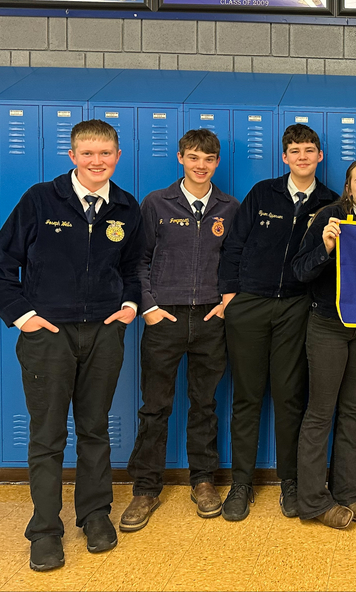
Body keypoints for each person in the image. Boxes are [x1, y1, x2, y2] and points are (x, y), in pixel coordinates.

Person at [0, 120, 145, 572]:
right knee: (48, 434)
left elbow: (134, 267)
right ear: (72, 156)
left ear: (117, 156)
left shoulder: (126, 207)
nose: (97, 161)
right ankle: (44, 530)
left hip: (103, 333)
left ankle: (94, 514)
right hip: (48, 336)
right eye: (87, 153)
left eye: (105, 153)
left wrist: (130, 305)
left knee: (95, 429)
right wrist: (24, 317)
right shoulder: (40, 199)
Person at [119, 130, 239, 531]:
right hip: (164, 318)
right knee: (155, 406)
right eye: (193, 157)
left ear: (217, 162)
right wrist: (149, 307)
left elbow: (237, 261)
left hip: (210, 319)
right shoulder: (156, 203)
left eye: (208, 158)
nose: (200, 165)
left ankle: (203, 481)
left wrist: (226, 304)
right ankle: (145, 489)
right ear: (180, 158)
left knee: (204, 405)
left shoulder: (230, 208)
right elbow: (137, 260)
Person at [217, 124, 338, 521]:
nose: (302, 157)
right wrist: (230, 294)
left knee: (290, 398)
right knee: (247, 397)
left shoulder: (330, 203)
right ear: (284, 157)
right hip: (250, 304)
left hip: (297, 308)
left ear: (320, 156)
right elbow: (234, 244)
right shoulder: (262, 193)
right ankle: (241, 484)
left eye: (309, 150)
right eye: (294, 151)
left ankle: (290, 481)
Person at [291, 160, 356, 529]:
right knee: (320, 412)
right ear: (348, 188)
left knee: (351, 410)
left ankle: (349, 493)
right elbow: (301, 270)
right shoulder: (329, 217)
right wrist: (326, 247)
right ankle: (313, 501)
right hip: (329, 326)